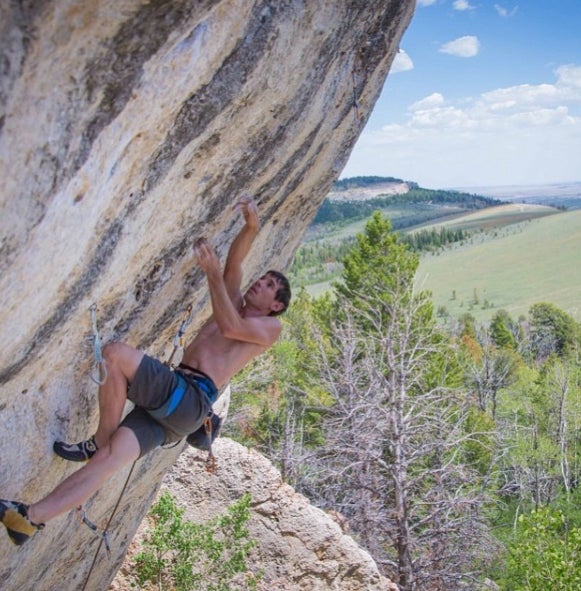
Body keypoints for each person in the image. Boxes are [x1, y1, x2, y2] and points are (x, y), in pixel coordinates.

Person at [0, 195, 291, 546]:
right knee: (108, 462)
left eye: (271, 285)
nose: (261, 282)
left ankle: (99, 440)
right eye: (263, 278)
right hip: (177, 409)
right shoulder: (232, 298)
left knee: (115, 356)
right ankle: (29, 519)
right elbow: (235, 262)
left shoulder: (269, 329)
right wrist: (251, 227)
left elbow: (230, 327)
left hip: (190, 398)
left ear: (276, 306)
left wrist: (212, 275)